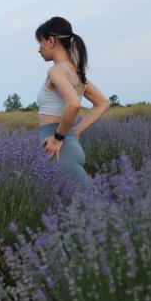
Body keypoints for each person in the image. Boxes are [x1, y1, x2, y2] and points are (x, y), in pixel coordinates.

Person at [35, 16, 110, 187]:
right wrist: (75, 131)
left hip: (61, 148)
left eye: (40, 42)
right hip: (68, 144)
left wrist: (57, 139)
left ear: (51, 41)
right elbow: (103, 104)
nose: (39, 49)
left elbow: (74, 104)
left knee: (85, 206)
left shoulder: (56, 71)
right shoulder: (77, 74)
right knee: (79, 206)